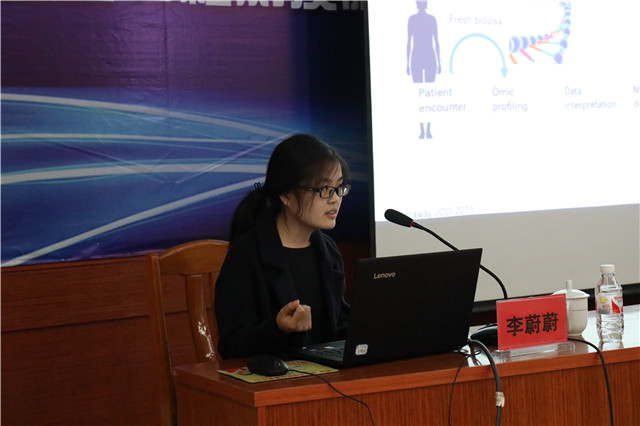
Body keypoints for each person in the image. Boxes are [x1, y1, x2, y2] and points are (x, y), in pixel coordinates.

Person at [214, 134, 352, 359]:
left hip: (326, 374)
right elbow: (232, 344)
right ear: (287, 195)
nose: (335, 199)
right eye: (324, 189)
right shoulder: (247, 254)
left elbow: (335, 326)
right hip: (276, 377)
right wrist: (278, 329)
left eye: (339, 187)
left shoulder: (327, 251)